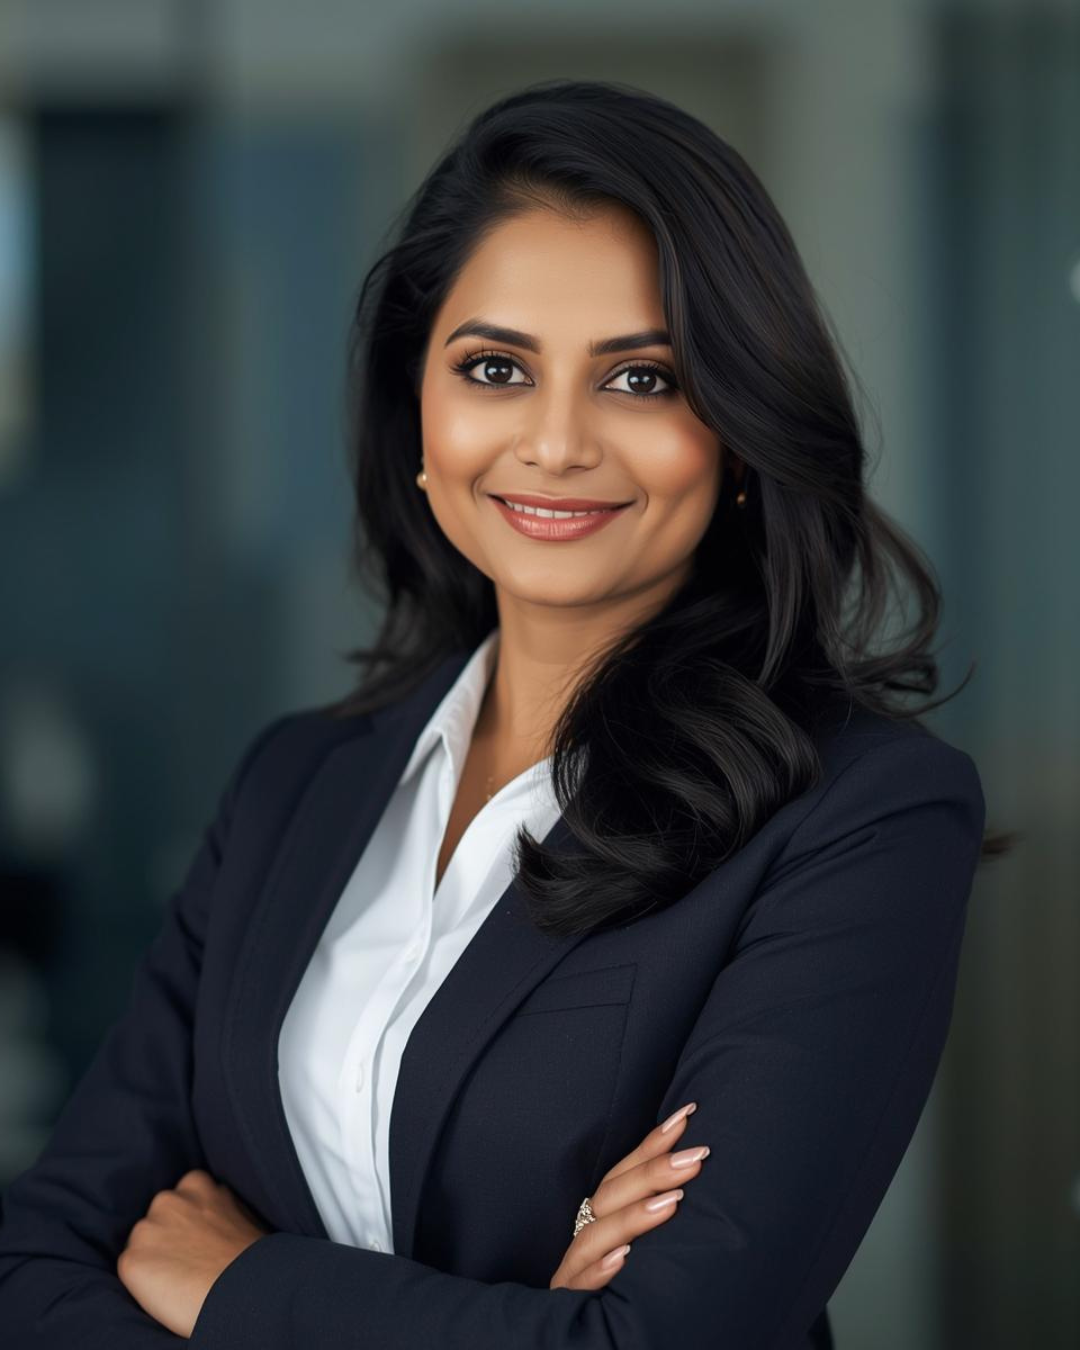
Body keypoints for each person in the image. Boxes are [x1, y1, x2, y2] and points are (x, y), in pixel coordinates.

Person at [0, 78, 1006, 1349]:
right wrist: (512, 1315)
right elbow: (39, 1260)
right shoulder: (294, 786)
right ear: (417, 413)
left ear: (738, 435)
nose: (555, 442)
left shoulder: (857, 814)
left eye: (641, 379)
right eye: (494, 369)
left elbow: (665, 1341)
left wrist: (236, 1287)